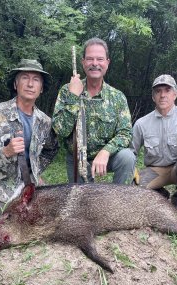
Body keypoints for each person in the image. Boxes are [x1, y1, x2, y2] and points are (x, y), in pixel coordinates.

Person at [0, 59, 58, 216]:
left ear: (41, 88)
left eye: (36, 79)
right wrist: (5, 152)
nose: (30, 84)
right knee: (16, 218)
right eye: (25, 77)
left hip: (29, 185)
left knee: (53, 212)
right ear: (16, 84)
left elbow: (51, 150)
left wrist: (35, 171)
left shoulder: (45, 121)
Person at [52, 38, 135, 184]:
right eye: (90, 59)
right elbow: (60, 131)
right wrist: (73, 97)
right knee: (82, 204)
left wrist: (105, 151)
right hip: (77, 159)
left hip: (108, 158)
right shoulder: (67, 90)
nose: (95, 63)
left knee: (127, 157)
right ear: (83, 62)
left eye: (100, 59)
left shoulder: (117, 97)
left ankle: (120, 201)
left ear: (107, 62)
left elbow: (125, 133)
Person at [131, 74, 177, 209]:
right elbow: (131, 151)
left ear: (175, 94)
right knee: (133, 187)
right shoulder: (141, 123)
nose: (162, 95)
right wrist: (132, 169)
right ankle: (159, 194)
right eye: (158, 91)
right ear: (153, 97)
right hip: (155, 170)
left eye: (167, 90)